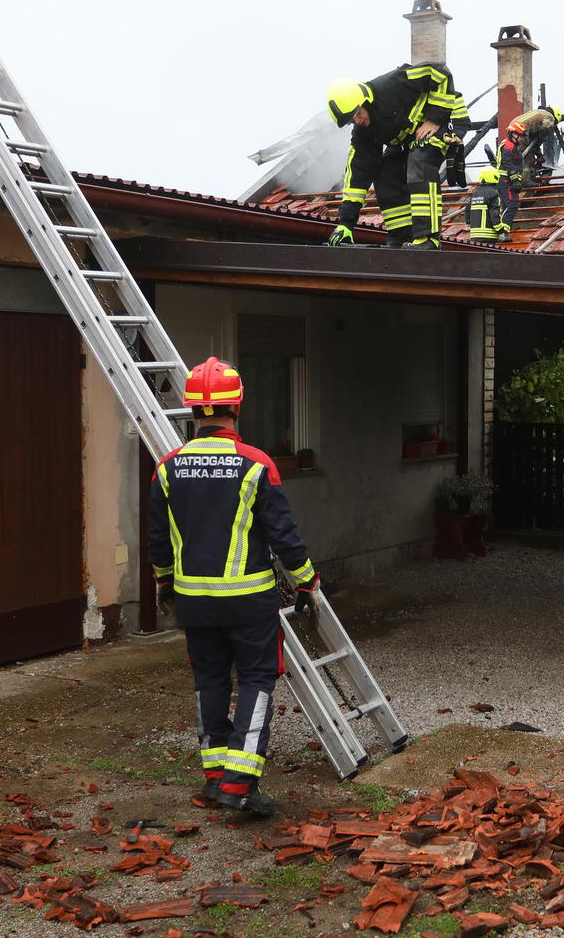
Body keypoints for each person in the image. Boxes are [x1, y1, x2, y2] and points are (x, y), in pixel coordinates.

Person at [149, 357, 320, 817]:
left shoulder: (167, 468)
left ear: (192, 411)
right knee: (257, 681)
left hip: (194, 603)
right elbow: (284, 536)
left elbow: (158, 542)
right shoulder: (257, 465)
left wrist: (166, 584)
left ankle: (214, 777)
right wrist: (307, 583)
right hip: (248, 602)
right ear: (237, 405)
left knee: (208, 680)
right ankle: (239, 785)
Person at [326, 63, 467, 249]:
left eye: (357, 114)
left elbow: (440, 72)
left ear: (365, 101)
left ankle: (428, 239)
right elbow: (358, 172)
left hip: (447, 119)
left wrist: (435, 118)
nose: (357, 121)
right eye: (351, 120)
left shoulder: (393, 84)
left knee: (420, 160)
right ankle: (401, 239)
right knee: (385, 173)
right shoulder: (364, 131)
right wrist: (345, 223)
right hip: (413, 137)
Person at [494, 104, 564, 231]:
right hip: (521, 129)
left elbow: (534, 141)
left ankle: (525, 178)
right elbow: (542, 133)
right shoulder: (549, 117)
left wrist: (540, 154)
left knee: (523, 155)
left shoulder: (538, 114)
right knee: (524, 158)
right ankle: (525, 179)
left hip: (517, 126)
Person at [465, 167, 506, 243]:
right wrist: (501, 232)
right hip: (488, 236)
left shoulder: (475, 192)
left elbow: (467, 210)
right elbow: (494, 215)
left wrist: (469, 224)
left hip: (474, 236)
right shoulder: (493, 193)